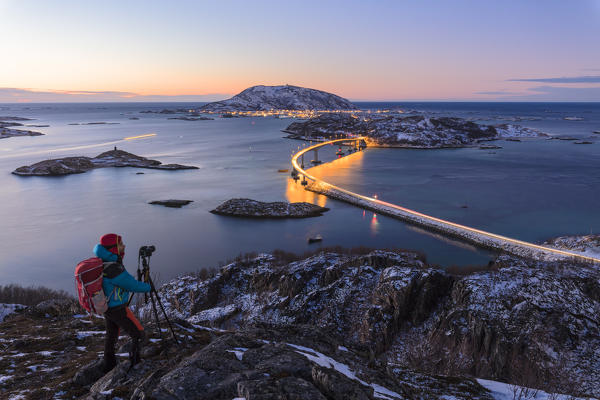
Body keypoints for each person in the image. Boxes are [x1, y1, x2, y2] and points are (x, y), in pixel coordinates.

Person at [93, 233, 151, 372]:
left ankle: (109, 364)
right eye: (120, 244)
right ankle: (135, 363)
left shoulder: (103, 260)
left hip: (106, 305)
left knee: (111, 335)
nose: (124, 246)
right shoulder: (113, 268)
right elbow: (132, 285)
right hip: (117, 308)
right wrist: (149, 287)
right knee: (138, 334)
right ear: (113, 248)